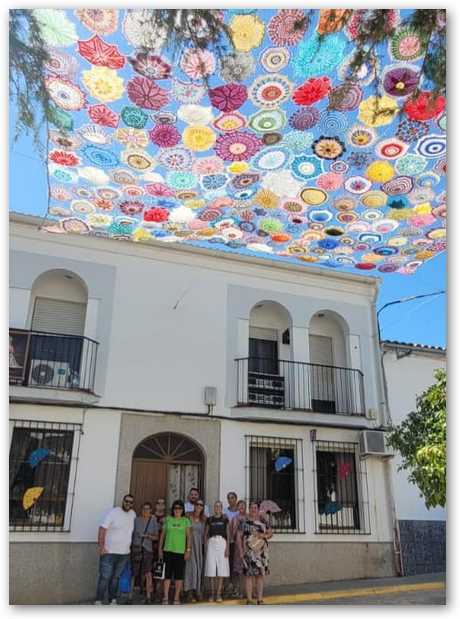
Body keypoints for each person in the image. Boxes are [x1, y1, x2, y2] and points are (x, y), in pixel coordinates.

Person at [95, 494, 136, 605]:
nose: (128, 503)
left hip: (124, 553)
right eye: (126, 501)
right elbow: (102, 528)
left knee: (116, 578)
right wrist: (102, 547)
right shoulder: (114, 512)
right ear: (123, 501)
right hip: (109, 552)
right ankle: (98, 600)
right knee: (105, 577)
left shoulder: (133, 514)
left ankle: (112, 600)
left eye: (131, 502)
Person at [237, 501, 272, 605]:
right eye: (251, 508)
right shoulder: (244, 522)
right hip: (248, 552)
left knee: (260, 576)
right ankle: (249, 600)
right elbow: (239, 537)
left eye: (255, 508)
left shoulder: (263, 521)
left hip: (261, 553)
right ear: (249, 509)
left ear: (258, 509)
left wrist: (263, 536)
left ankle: (260, 599)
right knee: (248, 576)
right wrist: (240, 551)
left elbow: (270, 534)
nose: (253, 509)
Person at [158, 499, 191, 605]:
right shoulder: (168, 519)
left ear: (182, 510)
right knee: (166, 576)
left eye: (179, 508)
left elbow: (189, 537)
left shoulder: (185, 521)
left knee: (178, 576)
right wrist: (160, 549)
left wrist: (188, 550)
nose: (177, 510)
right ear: (173, 509)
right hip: (167, 551)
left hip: (180, 552)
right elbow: (162, 536)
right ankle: (166, 597)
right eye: (175, 508)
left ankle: (176, 598)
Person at [130, 502, 159, 604]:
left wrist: (147, 536)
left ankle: (148, 596)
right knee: (134, 572)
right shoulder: (136, 520)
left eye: (147, 509)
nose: (145, 511)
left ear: (150, 510)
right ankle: (130, 596)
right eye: (143, 509)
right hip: (136, 548)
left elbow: (156, 537)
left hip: (148, 550)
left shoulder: (153, 521)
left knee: (148, 573)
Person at [204, 501, 230, 603]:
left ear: (221, 508)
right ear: (213, 508)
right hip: (211, 543)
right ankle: (212, 594)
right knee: (211, 569)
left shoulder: (225, 519)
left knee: (221, 569)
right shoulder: (209, 519)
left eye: (219, 506)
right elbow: (205, 534)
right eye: (215, 506)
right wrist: (206, 547)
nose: (217, 508)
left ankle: (219, 594)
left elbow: (228, 534)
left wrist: (228, 548)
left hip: (222, 543)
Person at [184, 499, 206, 602]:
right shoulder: (188, 517)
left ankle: (197, 590)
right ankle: (189, 592)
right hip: (189, 546)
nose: (199, 506)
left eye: (201, 505)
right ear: (194, 506)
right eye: (197, 504)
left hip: (199, 547)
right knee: (190, 568)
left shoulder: (204, 519)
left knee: (198, 568)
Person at [223, 492, 239, 597]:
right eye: (228, 498)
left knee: (236, 567)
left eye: (232, 498)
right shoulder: (224, 512)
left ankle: (235, 588)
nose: (230, 500)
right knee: (226, 566)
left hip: (237, 543)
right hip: (227, 542)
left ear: (236, 499)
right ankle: (227, 588)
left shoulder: (239, 512)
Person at [230, 500, 247, 599]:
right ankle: (237, 590)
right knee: (237, 570)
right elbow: (232, 532)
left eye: (243, 506)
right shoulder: (234, 518)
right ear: (237, 507)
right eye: (240, 505)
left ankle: (244, 590)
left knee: (245, 570)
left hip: (247, 546)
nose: (241, 507)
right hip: (237, 546)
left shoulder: (248, 517)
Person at [152, 498, 166, 602]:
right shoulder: (151, 517)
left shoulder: (167, 519)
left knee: (160, 571)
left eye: (162, 504)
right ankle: (148, 593)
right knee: (148, 571)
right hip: (150, 547)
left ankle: (158, 593)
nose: (160, 506)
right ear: (156, 506)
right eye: (158, 503)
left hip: (162, 548)